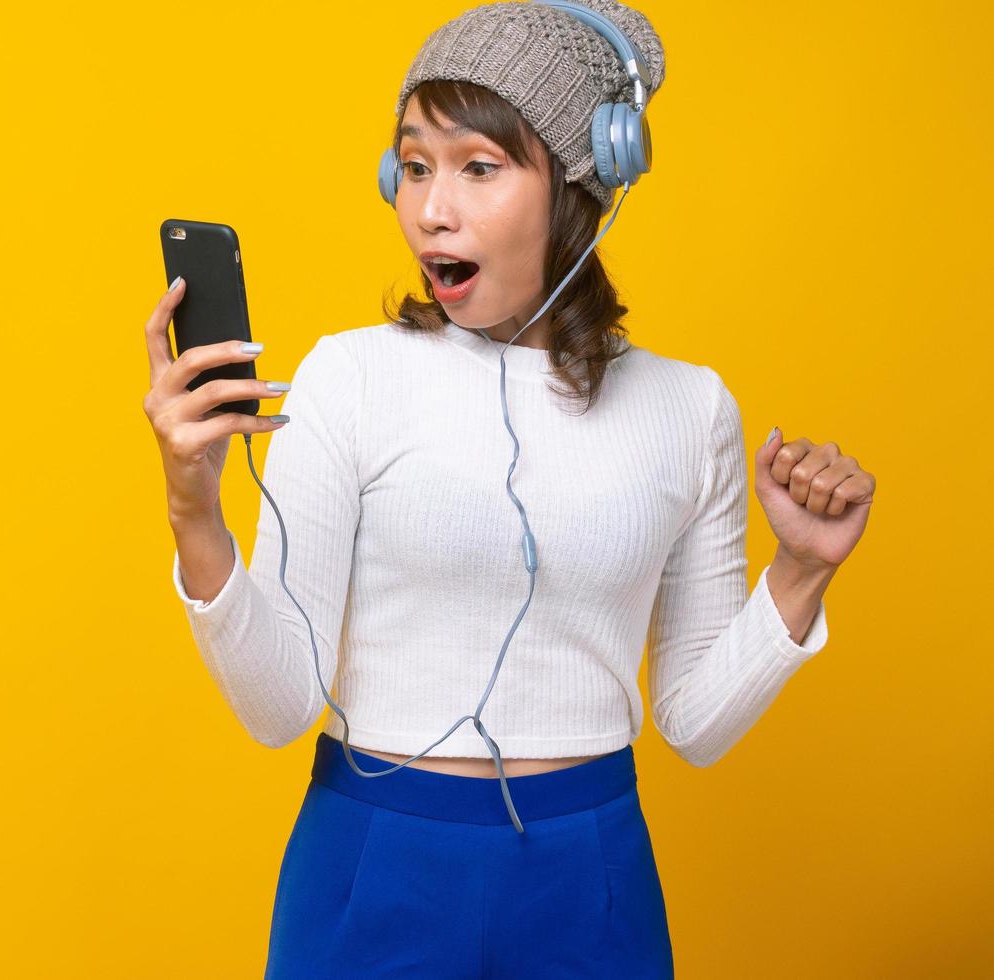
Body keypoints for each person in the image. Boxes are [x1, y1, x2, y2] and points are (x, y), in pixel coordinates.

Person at [141, 1, 875, 976]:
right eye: (413, 166)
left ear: (583, 183)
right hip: (371, 862)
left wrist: (800, 574)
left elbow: (695, 722)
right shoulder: (348, 377)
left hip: (590, 873)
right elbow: (279, 705)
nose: (430, 209)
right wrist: (195, 503)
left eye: (478, 167)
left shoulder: (689, 408)